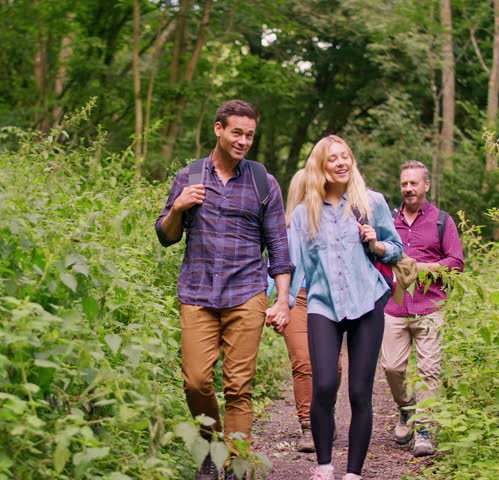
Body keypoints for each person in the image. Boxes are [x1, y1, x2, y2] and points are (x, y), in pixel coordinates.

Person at [155, 100, 293, 480]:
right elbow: (167, 237)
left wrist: (282, 300)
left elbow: (279, 249)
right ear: (218, 129)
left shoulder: (264, 182)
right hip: (197, 292)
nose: (244, 141)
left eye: (249, 135)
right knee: (196, 381)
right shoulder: (189, 176)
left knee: (238, 386)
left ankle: (233, 462)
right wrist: (178, 207)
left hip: (247, 291)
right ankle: (212, 446)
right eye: (237, 132)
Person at [288, 135, 403, 480]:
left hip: (366, 302)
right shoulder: (303, 213)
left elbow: (396, 248)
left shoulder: (370, 203)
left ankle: (353, 473)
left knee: (359, 392)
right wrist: (282, 304)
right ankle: (324, 467)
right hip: (322, 304)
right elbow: (293, 265)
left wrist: (376, 242)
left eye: (345, 157)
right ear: (320, 168)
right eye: (332, 159)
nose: (341, 163)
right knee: (323, 385)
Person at [380, 160, 464, 457]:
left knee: (429, 369)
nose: (408, 188)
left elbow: (456, 262)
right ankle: (407, 409)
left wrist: (425, 269)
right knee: (391, 367)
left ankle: (425, 428)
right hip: (395, 305)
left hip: (430, 305)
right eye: (404, 183)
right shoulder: (388, 220)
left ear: (426, 185)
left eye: (414, 183)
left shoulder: (442, 220)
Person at [273, 169, 342, 453]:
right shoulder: (284, 229)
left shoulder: (332, 221)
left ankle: (324, 414)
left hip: (326, 298)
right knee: (303, 362)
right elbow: (274, 268)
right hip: (297, 298)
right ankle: (308, 426)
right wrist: (278, 303)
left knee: (332, 367)